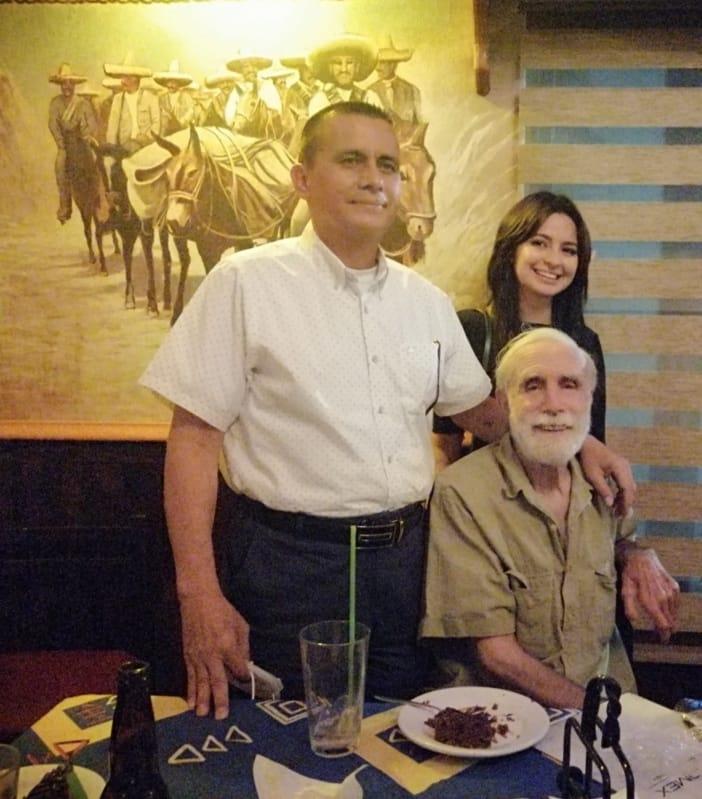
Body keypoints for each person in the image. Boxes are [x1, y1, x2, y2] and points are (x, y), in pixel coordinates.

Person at [139, 101, 492, 717]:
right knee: (280, 748)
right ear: (302, 178)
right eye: (350, 159)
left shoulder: (428, 303)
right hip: (285, 569)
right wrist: (198, 595)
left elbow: (481, 412)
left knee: (398, 741)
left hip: (405, 568)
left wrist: (583, 444)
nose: (373, 177)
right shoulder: (244, 283)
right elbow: (193, 438)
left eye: (387, 163)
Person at [421, 328, 680, 708]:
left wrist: (637, 554)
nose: (553, 403)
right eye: (533, 385)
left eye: (569, 384)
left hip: (613, 705)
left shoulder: (601, 482)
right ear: (504, 402)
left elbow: (621, 537)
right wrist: (601, 715)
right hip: (504, 721)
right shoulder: (463, 493)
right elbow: (496, 656)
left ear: (589, 399)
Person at [433, 191, 635, 515]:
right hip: (484, 511)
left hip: (559, 515)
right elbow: (444, 447)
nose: (554, 260)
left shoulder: (584, 342)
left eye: (568, 250)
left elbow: (592, 444)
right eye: (539, 243)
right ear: (511, 248)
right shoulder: (473, 328)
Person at [48, 63, 98, 224]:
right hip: (65, 143)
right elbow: (53, 125)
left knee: (97, 162)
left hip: (82, 141)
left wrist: (87, 136)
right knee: (60, 165)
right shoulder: (55, 103)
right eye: (64, 83)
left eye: (70, 83)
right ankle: (65, 206)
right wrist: (61, 144)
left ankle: (102, 199)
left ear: (75, 85)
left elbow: (91, 123)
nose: (67, 86)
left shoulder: (82, 104)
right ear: (60, 85)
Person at [308, 34, 383, 116]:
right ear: (330, 68)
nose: (344, 69)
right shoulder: (320, 101)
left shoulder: (370, 98)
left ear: (357, 66)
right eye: (338, 63)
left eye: (349, 62)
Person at [104, 56, 161, 156]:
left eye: (127, 77)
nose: (123, 81)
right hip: (124, 149)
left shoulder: (150, 98)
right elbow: (112, 127)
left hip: (146, 148)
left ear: (136, 79)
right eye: (123, 77)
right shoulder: (118, 99)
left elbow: (156, 123)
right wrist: (111, 150)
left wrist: (147, 137)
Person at [367, 35, 423, 127]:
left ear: (393, 64)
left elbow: (418, 128)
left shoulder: (411, 91)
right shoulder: (369, 92)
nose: (377, 68)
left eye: (382, 63)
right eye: (376, 63)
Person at [153, 60, 195, 136]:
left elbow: (190, 112)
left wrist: (181, 122)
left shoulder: (186, 97)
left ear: (179, 83)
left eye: (173, 82)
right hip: (166, 132)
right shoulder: (162, 98)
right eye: (168, 82)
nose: (170, 85)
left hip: (182, 132)